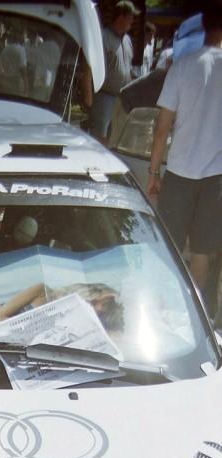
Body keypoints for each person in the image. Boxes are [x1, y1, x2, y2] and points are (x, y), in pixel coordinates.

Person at [147, 4, 222, 302]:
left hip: (179, 173)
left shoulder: (183, 65)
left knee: (171, 249)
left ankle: (167, 307)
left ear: (203, 26)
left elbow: (162, 126)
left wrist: (153, 172)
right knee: (203, 251)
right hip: (216, 177)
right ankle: (199, 316)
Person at [86, 1, 140, 145]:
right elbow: (90, 69)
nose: (133, 21)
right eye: (131, 17)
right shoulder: (103, 37)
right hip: (104, 97)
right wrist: (88, 98)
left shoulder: (127, 40)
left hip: (122, 99)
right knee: (99, 139)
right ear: (121, 17)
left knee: (116, 138)